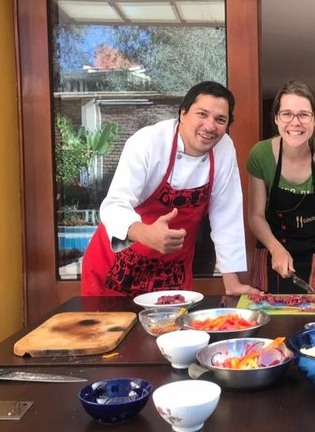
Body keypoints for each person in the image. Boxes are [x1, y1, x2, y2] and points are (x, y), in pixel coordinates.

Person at [81, 81, 259, 297]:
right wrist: (145, 233)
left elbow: (226, 215)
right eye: (202, 114)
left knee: (172, 330)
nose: (210, 126)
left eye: (220, 119)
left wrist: (232, 282)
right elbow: (114, 204)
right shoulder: (148, 141)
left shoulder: (224, 149)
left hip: (170, 273)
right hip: (115, 269)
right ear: (183, 113)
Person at [246, 81, 315, 301]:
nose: (295, 123)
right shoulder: (261, 154)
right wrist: (276, 249)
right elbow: (255, 216)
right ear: (276, 118)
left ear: (314, 120)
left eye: (304, 115)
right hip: (273, 257)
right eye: (287, 114)